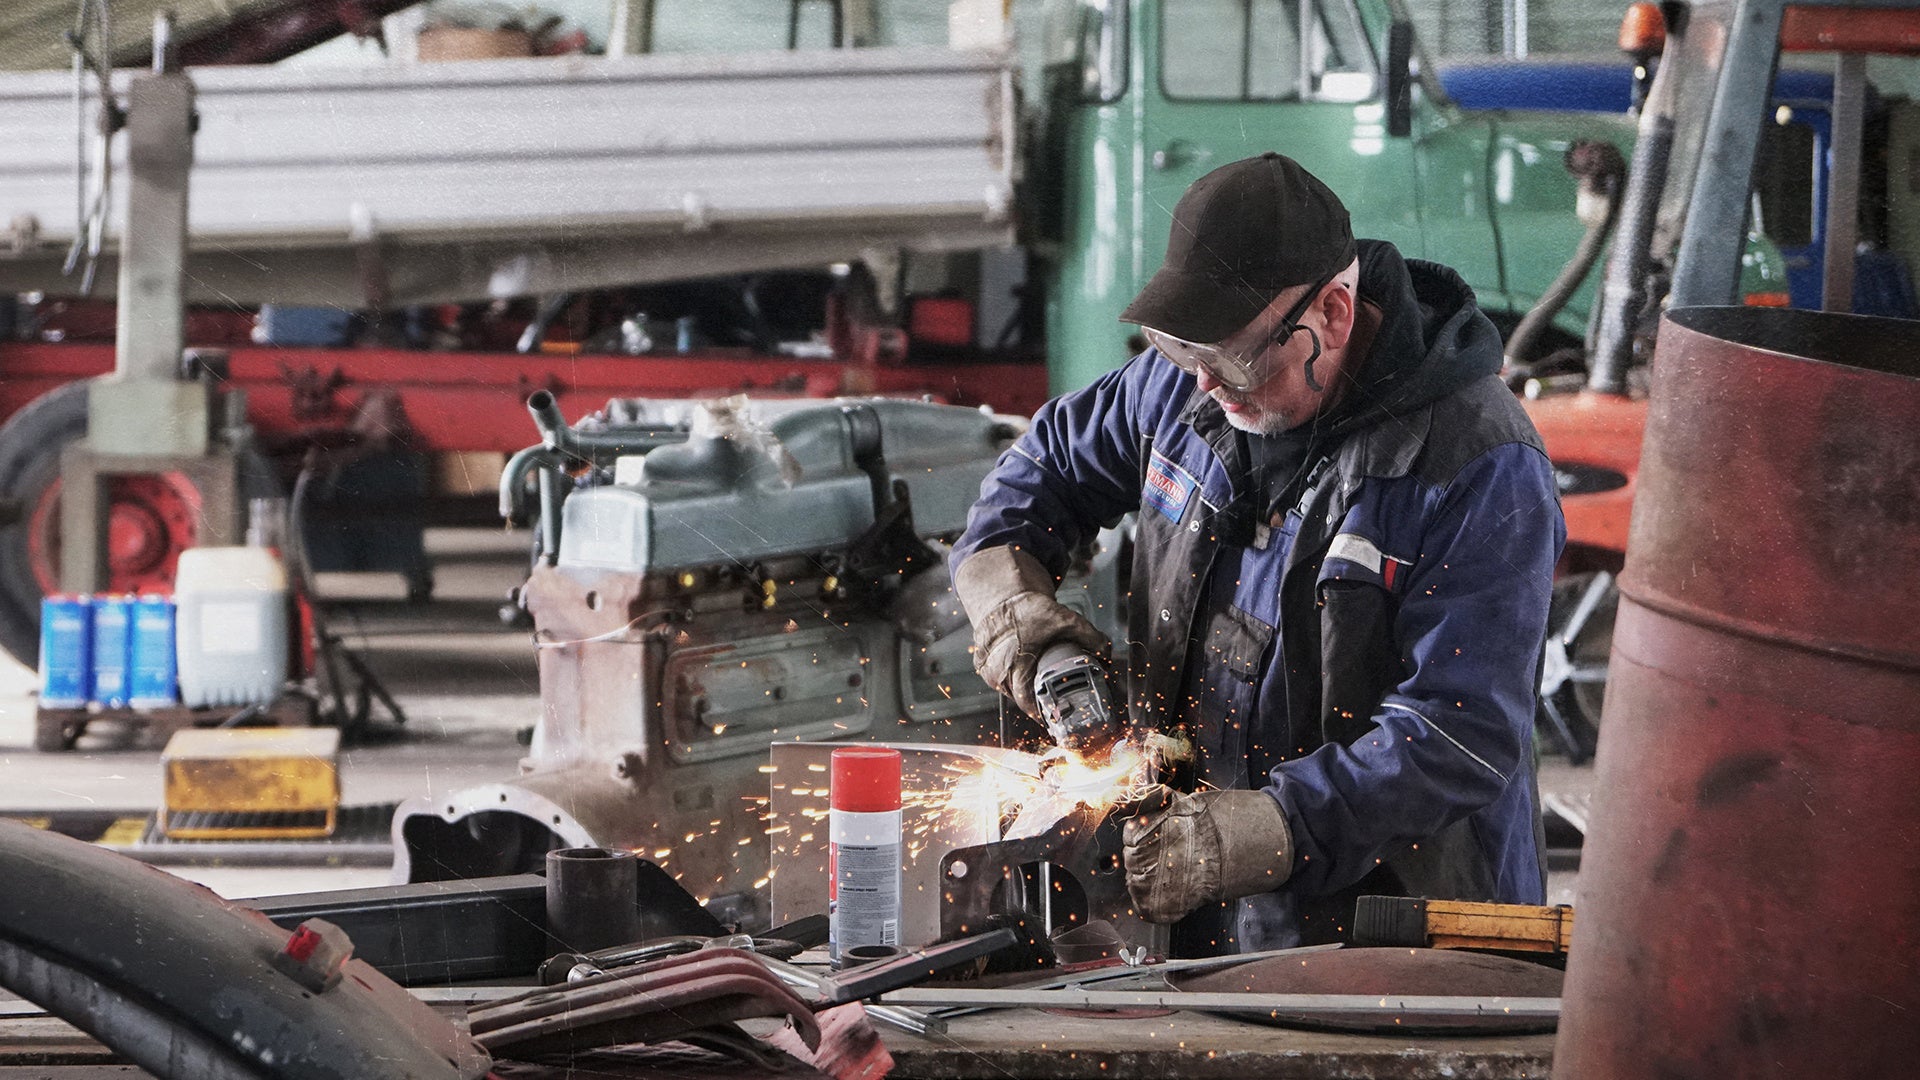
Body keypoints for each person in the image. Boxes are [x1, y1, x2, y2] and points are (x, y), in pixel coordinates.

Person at [949, 152, 1565, 953]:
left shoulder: (1476, 464)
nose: (1205, 386)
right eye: (1181, 352)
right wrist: (1028, 630)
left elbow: (1456, 735)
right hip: (1199, 924)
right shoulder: (1186, 385)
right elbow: (1036, 475)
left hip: (1395, 938)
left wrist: (1260, 831)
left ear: (1334, 315)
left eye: (1236, 359)